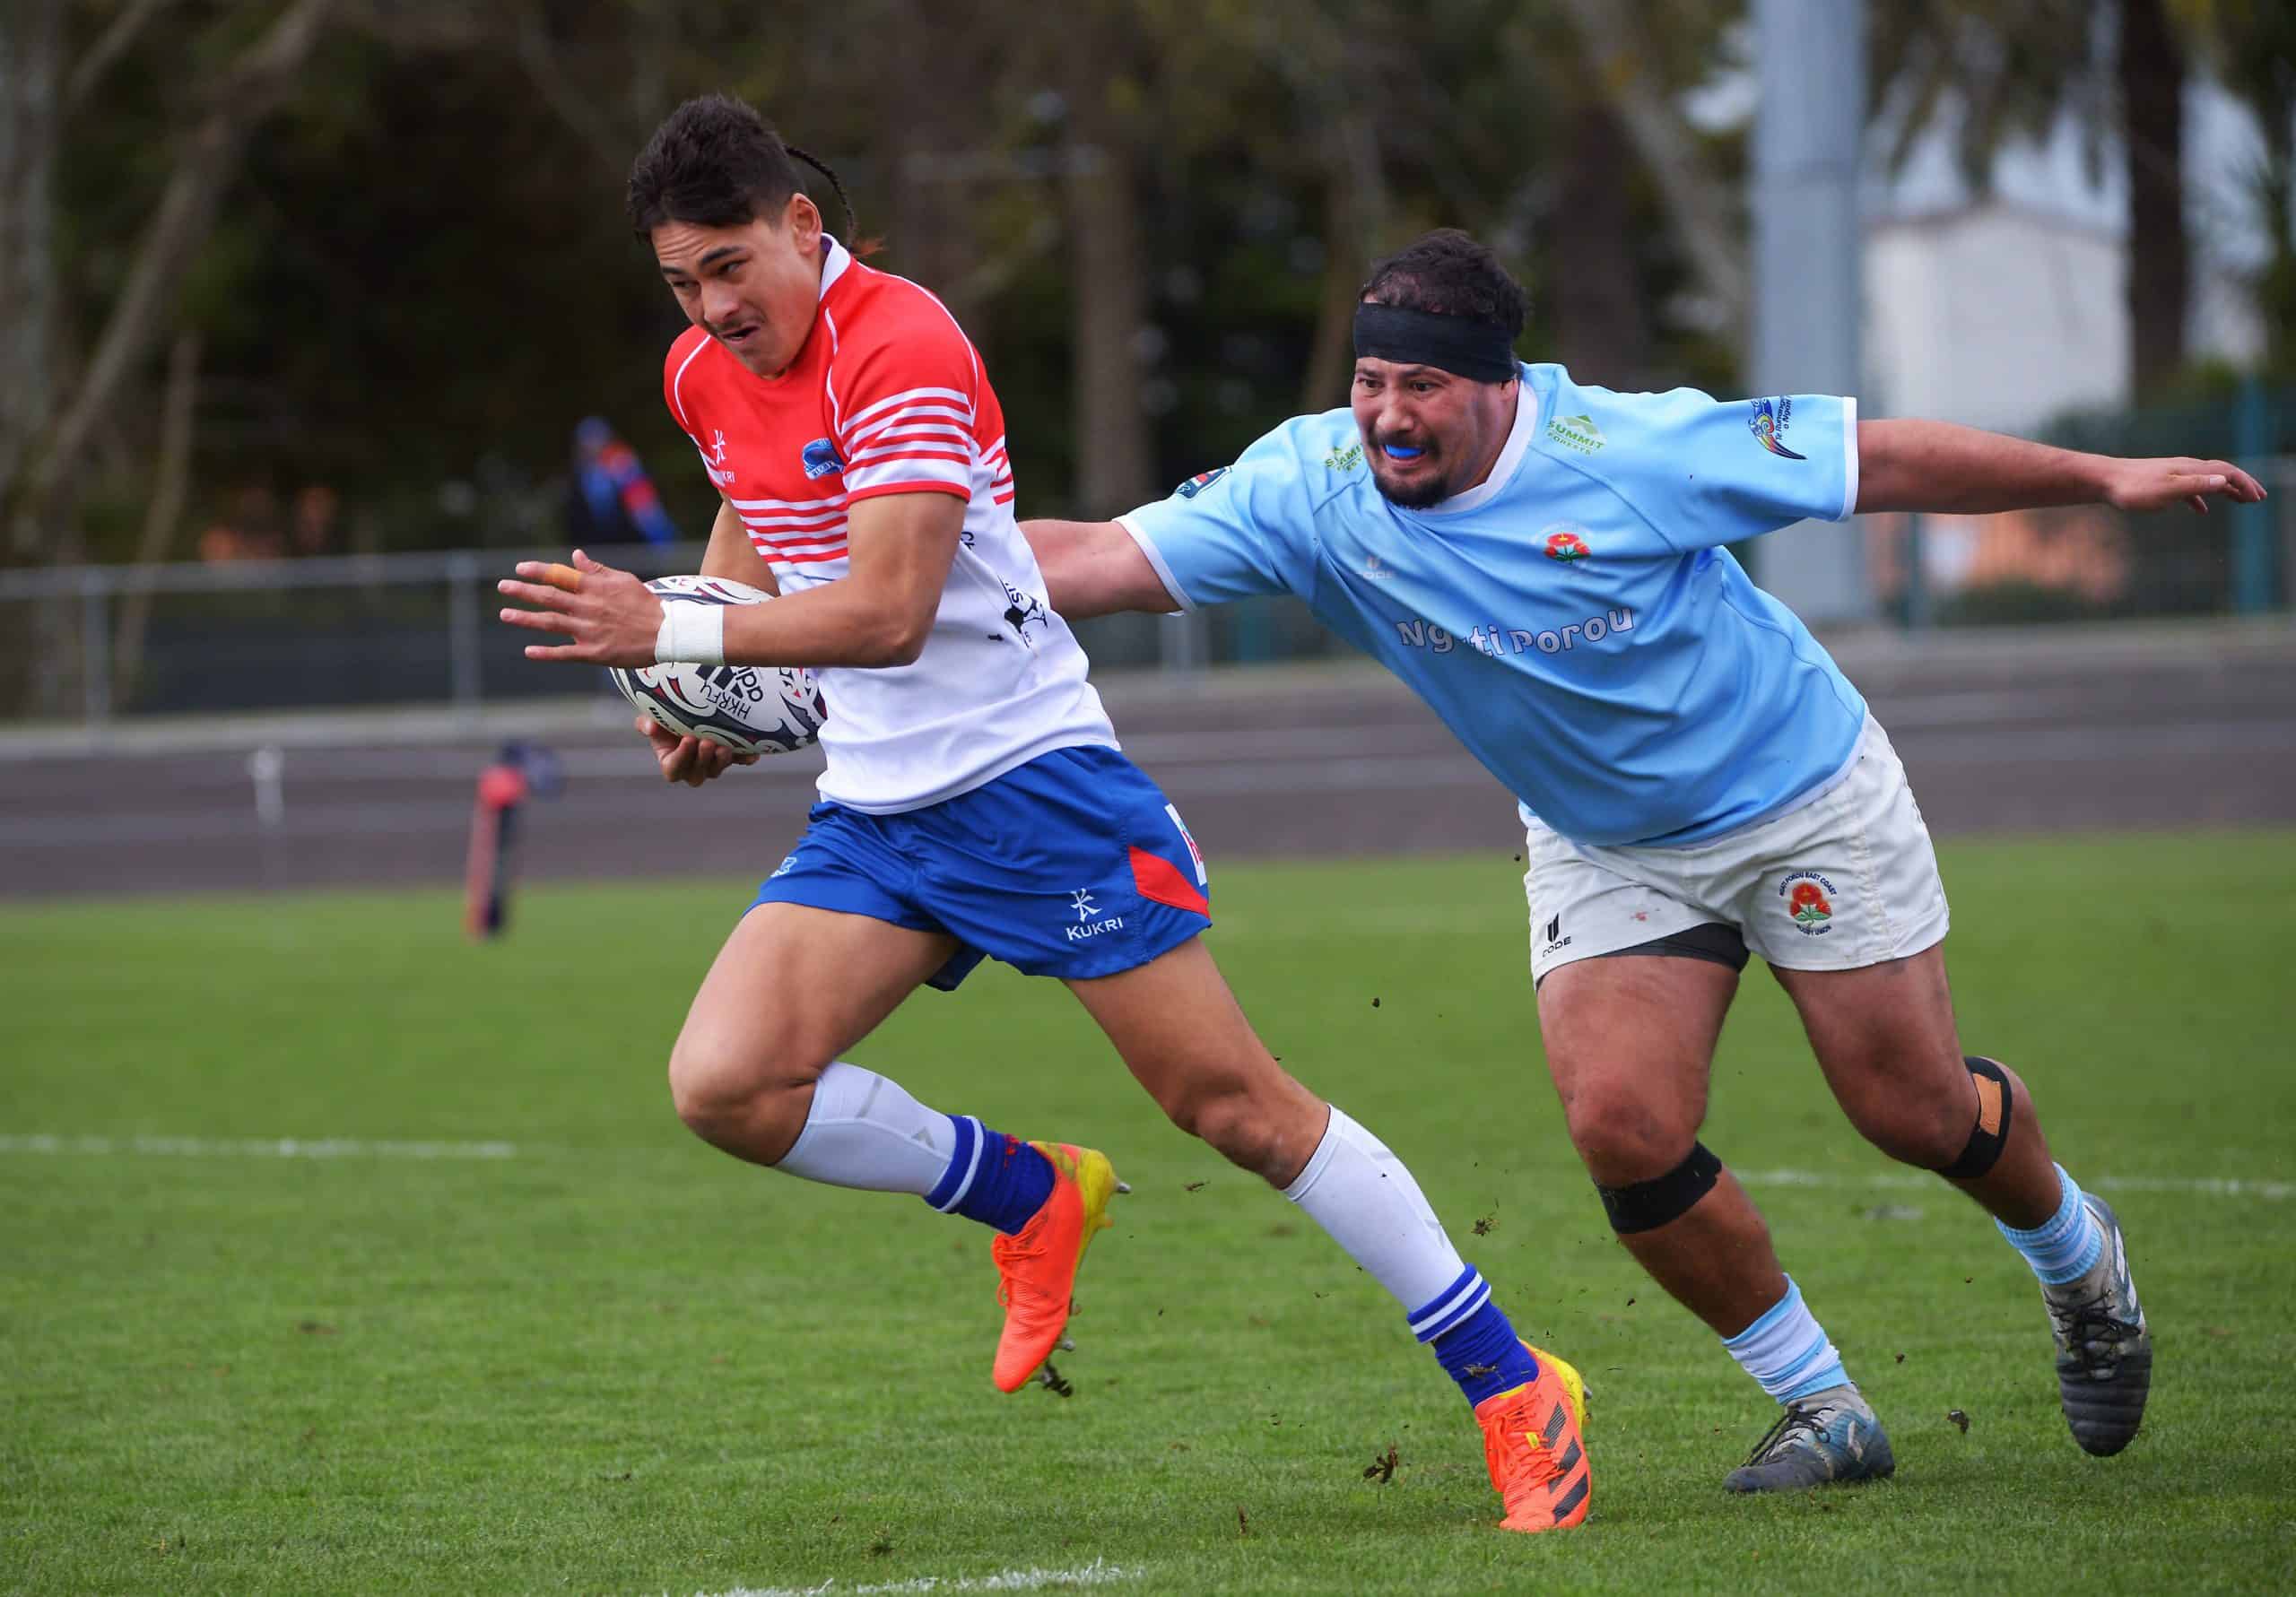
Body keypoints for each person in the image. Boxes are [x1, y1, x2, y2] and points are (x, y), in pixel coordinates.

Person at [1021, 228, 2268, 1493]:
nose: (1388, 417)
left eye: (1423, 387)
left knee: (1914, 1111)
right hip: (1606, 840)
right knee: (1622, 1123)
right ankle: (1822, 1404)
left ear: (1499, 385)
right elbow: (1101, 558)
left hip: (1797, 796)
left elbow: (1876, 459)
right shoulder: (1312, 485)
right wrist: (912, 571)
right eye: (1370, 382)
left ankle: (2078, 1258)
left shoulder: (1629, 451)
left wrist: (2101, 478)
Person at [495, 101, 1591, 1534]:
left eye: (728, 268)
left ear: (800, 229)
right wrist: (709, 689)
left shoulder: (901, 347)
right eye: (680, 283)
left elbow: (890, 612)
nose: (709, 308)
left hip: (1032, 787)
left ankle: (1516, 1383)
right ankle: (1026, 1194)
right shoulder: (704, 370)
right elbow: (753, 516)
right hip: (877, 805)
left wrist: (671, 629)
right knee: (727, 1083)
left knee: (1235, 1108)